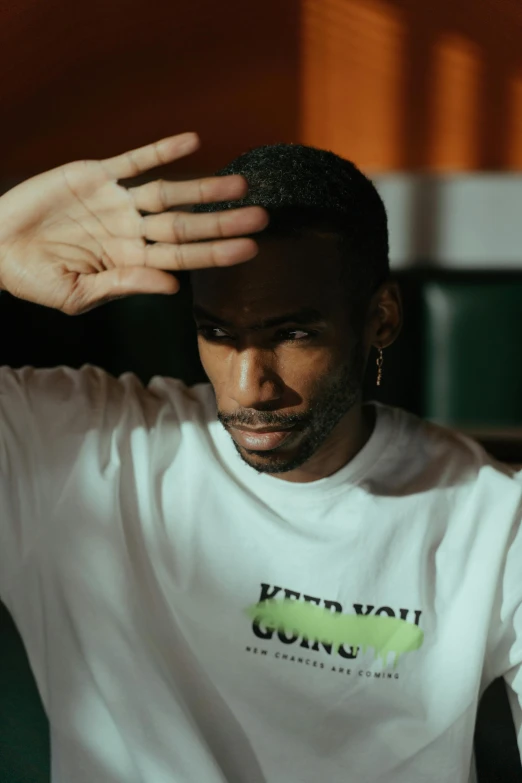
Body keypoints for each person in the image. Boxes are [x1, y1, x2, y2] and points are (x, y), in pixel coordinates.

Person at [0, 131, 520, 783]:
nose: (249, 387)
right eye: (218, 334)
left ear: (380, 318)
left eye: (292, 333)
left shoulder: (493, 521)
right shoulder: (78, 450)